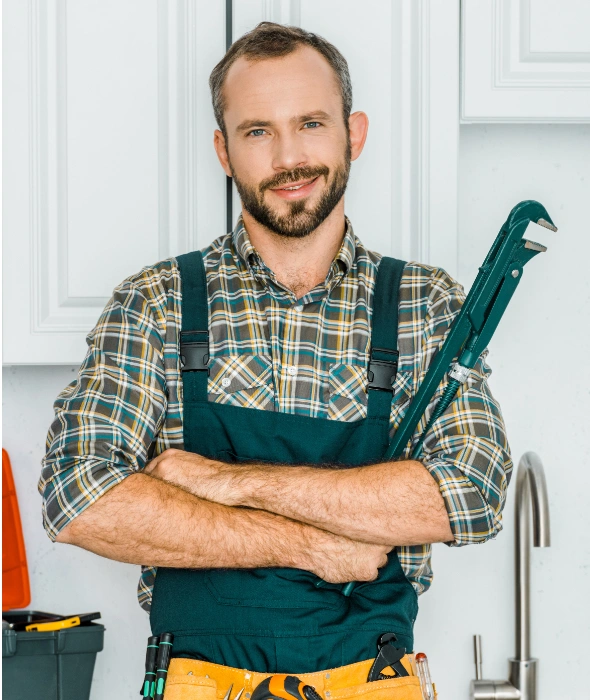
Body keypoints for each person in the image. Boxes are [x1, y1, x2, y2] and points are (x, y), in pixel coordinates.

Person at [39, 21, 511, 688]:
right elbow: (77, 494)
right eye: (258, 131)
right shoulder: (158, 303)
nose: (290, 156)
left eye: (311, 123)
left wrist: (232, 482)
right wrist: (307, 545)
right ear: (224, 152)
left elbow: (471, 492)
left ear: (355, 133)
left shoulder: (422, 303)